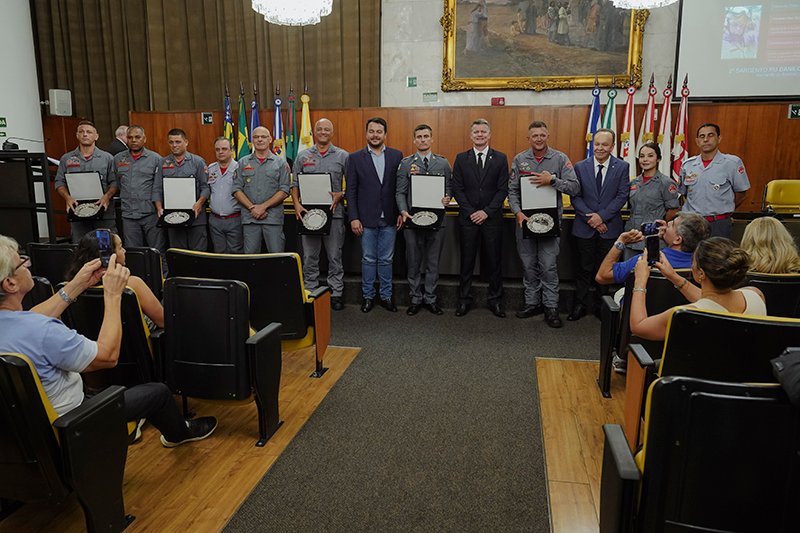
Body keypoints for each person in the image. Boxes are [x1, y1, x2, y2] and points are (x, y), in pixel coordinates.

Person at [0, 235, 217, 448]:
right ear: (10, 283)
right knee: (158, 393)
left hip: (22, 431)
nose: (27, 264)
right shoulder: (43, 331)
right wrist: (113, 295)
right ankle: (179, 434)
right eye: (22, 262)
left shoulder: (29, 326)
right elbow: (107, 356)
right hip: (73, 421)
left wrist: (77, 284)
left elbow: (34, 318)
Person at [508, 121, 580, 328]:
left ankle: (551, 307)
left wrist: (553, 181)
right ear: (528, 138)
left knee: (548, 266)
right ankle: (532, 303)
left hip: (550, 224)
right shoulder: (520, 160)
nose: (538, 138)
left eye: (542, 135)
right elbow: (512, 190)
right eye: (534, 135)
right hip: (525, 222)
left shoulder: (559, 159)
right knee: (529, 265)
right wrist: (517, 212)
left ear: (547, 136)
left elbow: (575, 188)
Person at [630, 237, 766, 341]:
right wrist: (673, 276)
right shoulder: (756, 295)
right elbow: (713, 304)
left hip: (698, 378)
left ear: (701, 273)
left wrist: (640, 281)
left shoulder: (685, 315)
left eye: (693, 262)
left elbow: (638, 326)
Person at [451, 118, 509, 318]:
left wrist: (486, 212)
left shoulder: (501, 158)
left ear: (489, 134)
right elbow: (457, 188)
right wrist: (471, 212)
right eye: (476, 132)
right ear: (471, 135)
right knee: (466, 262)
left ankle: (496, 301)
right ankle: (464, 300)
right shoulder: (461, 158)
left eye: (484, 131)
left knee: (494, 261)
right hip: (468, 220)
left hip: (492, 220)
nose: (480, 135)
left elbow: (503, 190)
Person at [345, 117, 404, 313]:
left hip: (389, 217)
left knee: (387, 259)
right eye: (372, 131)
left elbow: (399, 188)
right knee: (369, 259)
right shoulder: (354, 158)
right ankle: (368, 296)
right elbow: (351, 191)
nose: (375, 135)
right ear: (366, 133)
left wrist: (400, 212)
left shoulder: (397, 156)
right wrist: (353, 217)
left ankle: (386, 296)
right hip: (365, 219)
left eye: (379, 131)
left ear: (385, 134)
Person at [570, 129, 630, 320]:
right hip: (584, 227)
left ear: (612, 146)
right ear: (592, 145)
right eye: (597, 144)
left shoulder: (622, 167)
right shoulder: (580, 167)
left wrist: (601, 218)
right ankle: (579, 305)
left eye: (605, 144)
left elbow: (622, 196)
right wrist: (592, 219)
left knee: (604, 269)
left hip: (609, 228)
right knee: (583, 268)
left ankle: (601, 306)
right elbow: (575, 196)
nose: (600, 148)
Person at [291, 118, 349, 311]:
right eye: (320, 129)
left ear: (332, 133)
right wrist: (297, 204)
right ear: (314, 132)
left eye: (327, 129)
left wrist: (341, 194)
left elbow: (352, 185)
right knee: (309, 257)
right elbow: (295, 184)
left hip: (335, 214)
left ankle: (336, 292)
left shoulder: (342, 156)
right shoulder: (302, 156)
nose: (323, 132)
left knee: (334, 256)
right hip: (308, 215)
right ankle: (310, 291)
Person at [396, 124, 452, 316]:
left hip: (437, 220)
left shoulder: (443, 163)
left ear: (432, 139)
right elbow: (400, 192)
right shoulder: (406, 164)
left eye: (426, 136)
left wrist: (447, 197)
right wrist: (403, 211)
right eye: (419, 137)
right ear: (414, 140)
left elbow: (449, 188)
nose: (422, 139)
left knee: (433, 262)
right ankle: (415, 298)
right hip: (412, 220)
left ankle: (431, 298)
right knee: (413, 261)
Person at [65, 229, 164, 329]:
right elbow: (163, 321)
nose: (124, 251)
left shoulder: (70, 287)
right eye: (121, 247)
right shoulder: (132, 284)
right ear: (110, 256)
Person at [596, 212, 710, 286]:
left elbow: (602, 276)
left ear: (678, 240)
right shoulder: (704, 266)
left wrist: (621, 242)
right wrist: (668, 237)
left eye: (671, 224)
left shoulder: (645, 261)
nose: (666, 224)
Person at [679, 123, 750, 238]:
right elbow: (683, 194)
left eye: (710, 135)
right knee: (690, 256)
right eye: (702, 137)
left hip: (718, 224)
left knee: (718, 255)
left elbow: (741, 194)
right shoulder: (688, 165)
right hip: (691, 223)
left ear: (719, 138)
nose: (706, 139)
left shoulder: (732, 163)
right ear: (697, 141)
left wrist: (723, 209)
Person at [54, 120, 117, 242]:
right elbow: (59, 182)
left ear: (96, 136)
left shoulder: (107, 158)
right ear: (77, 135)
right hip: (78, 211)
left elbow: (114, 182)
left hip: (103, 213)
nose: (85, 134)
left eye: (89, 132)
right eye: (81, 132)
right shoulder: (67, 159)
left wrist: (107, 197)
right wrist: (67, 198)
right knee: (81, 248)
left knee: (106, 246)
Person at [232, 126, 291, 253]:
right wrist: (252, 208)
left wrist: (263, 207)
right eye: (256, 137)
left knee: (277, 257)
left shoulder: (280, 163)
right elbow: (236, 189)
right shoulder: (242, 163)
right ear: (251, 140)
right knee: (250, 258)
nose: (260, 139)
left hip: (273, 219)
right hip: (250, 218)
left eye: (263, 137)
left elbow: (284, 190)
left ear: (270, 139)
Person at [112, 125, 167, 256]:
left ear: (144, 139)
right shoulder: (118, 159)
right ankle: (136, 276)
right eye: (130, 137)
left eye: (137, 137)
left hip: (150, 214)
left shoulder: (156, 159)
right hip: (128, 215)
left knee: (157, 252)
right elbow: (117, 183)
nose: (134, 140)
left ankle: (161, 276)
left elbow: (160, 186)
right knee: (132, 253)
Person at [154, 128, 209, 251]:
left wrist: (199, 203)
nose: (174, 145)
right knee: (178, 254)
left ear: (186, 142)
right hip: (172, 217)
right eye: (171, 142)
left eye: (178, 142)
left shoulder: (198, 162)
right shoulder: (163, 163)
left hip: (196, 217)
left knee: (198, 254)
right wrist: (159, 207)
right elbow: (157, 189)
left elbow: (206, 187)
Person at [624, 142, 681, 252]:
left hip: (653, 238)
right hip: (632, 236)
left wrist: (659, 226)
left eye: (650, 156)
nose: (645, 159)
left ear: (658, 159)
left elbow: (673, 211)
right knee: (629, 268)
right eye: (642, 156)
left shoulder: (666, 183)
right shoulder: (633, 182)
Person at [207, 137, 243, 253]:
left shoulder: (239, 168)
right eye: (217, 149)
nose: (220, 152)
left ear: (231, 150)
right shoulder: (210, 169)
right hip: (215, 220)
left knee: (236, 252)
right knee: (219, 252)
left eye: (224, 149)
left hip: (235, 219)